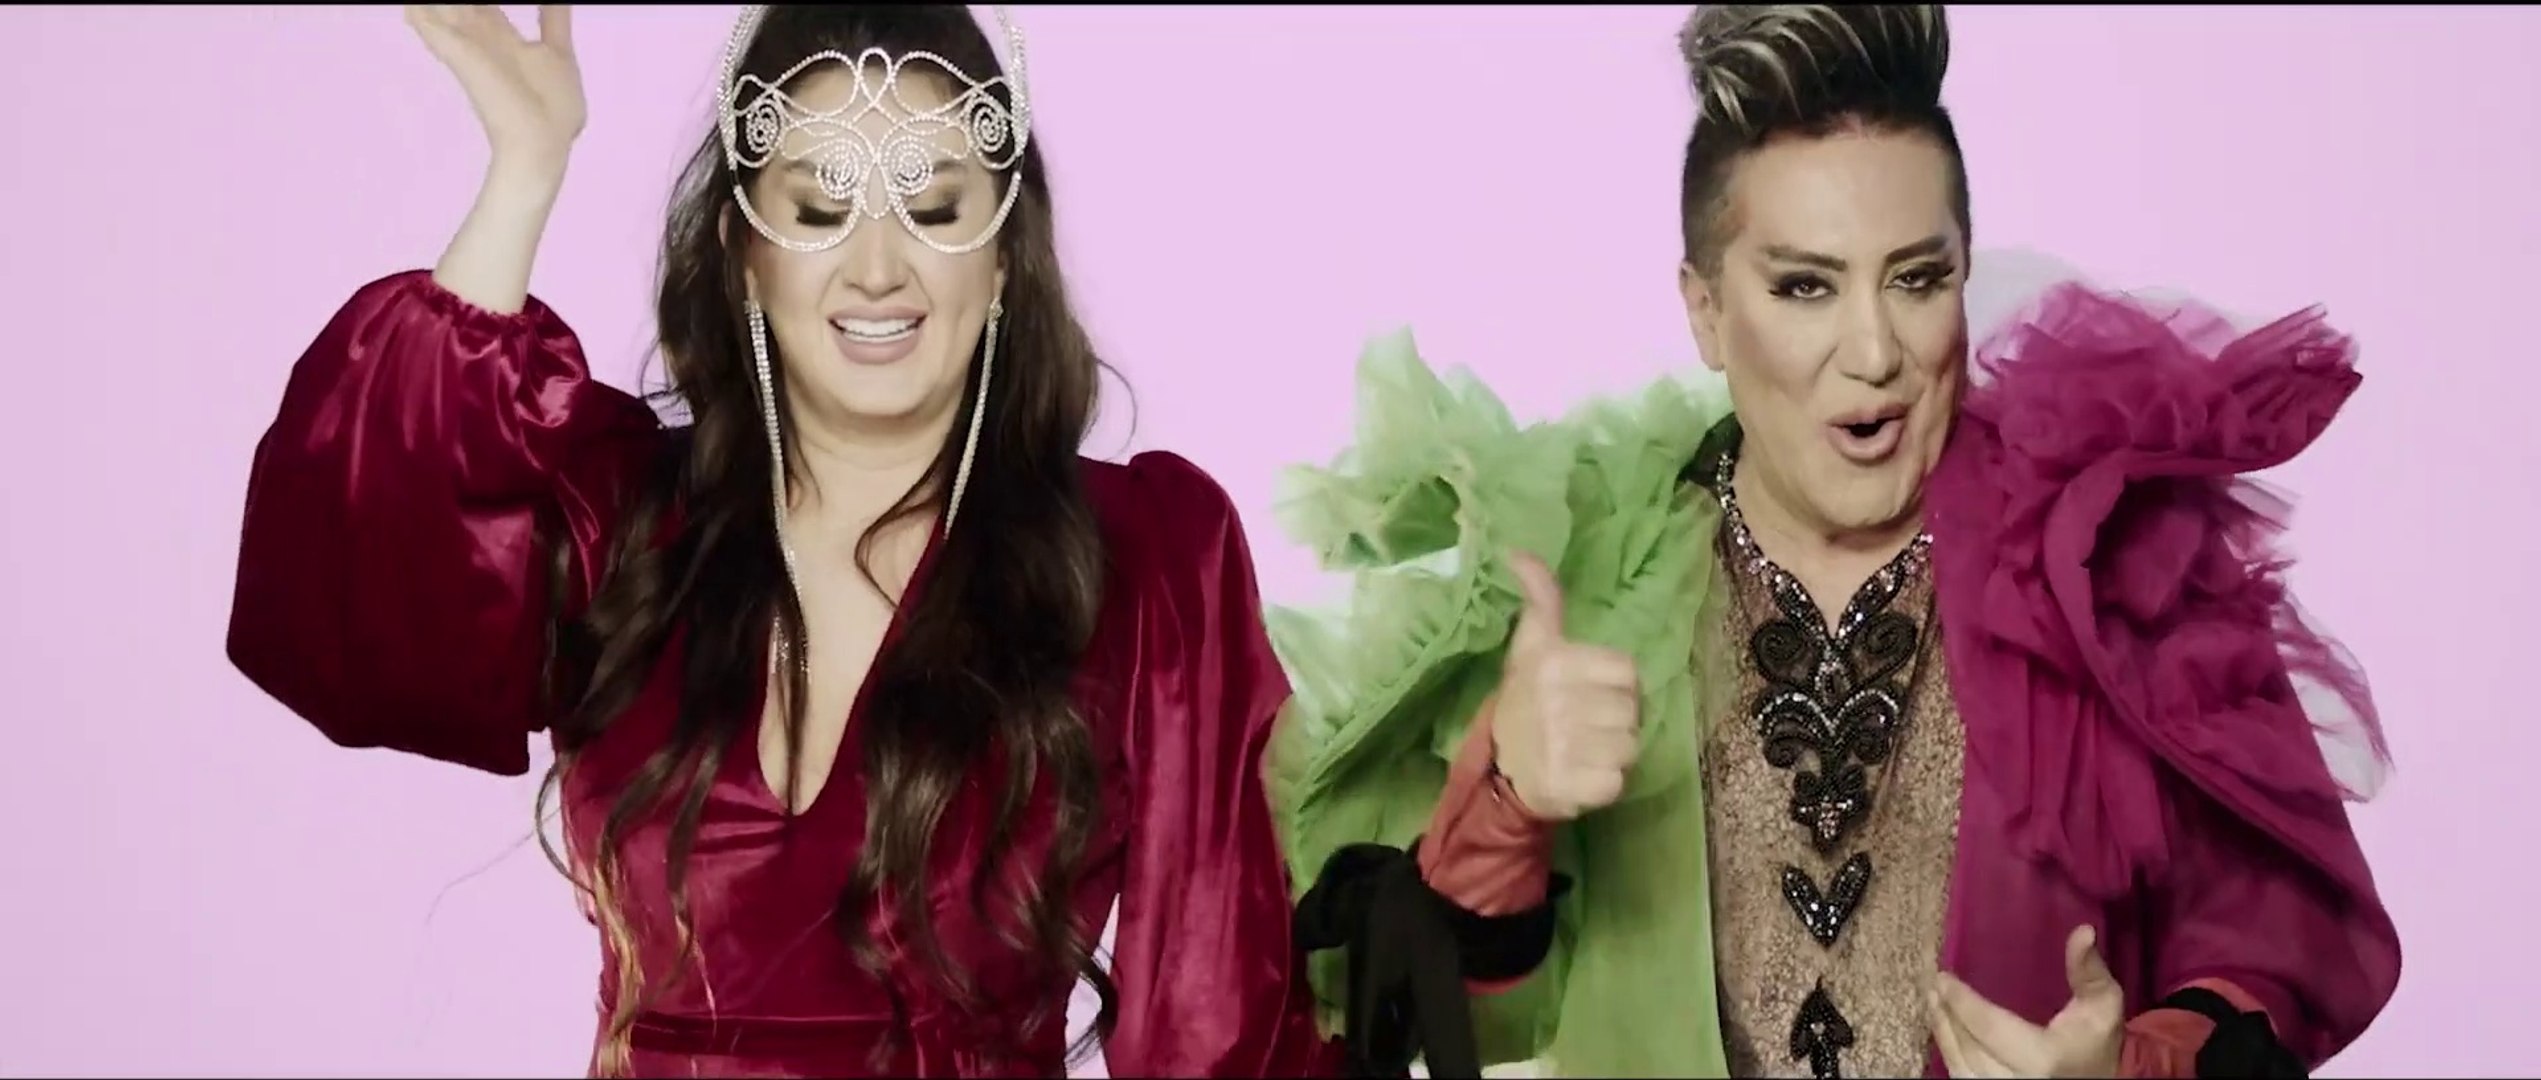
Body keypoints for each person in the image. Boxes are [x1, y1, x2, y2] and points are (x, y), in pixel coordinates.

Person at [1266, 5, 2400, 1078]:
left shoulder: (2102, 568)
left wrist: (2129, 1067)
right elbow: (1443, 1022)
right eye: (1805, 287)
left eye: (1916, 279)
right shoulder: (1595, 590)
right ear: (1706, 311)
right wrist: (1507, 807)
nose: (1873, 351)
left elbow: (2281, 953)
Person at [224, 5, 1342, 1076]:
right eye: (817, 212)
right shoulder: (624, 524)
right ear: (744, 256)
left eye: (934, 209)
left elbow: (1224, 1022)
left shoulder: (1140, 561)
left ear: (1005, 253)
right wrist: (524, 172)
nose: (876, 268)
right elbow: (354, 595)